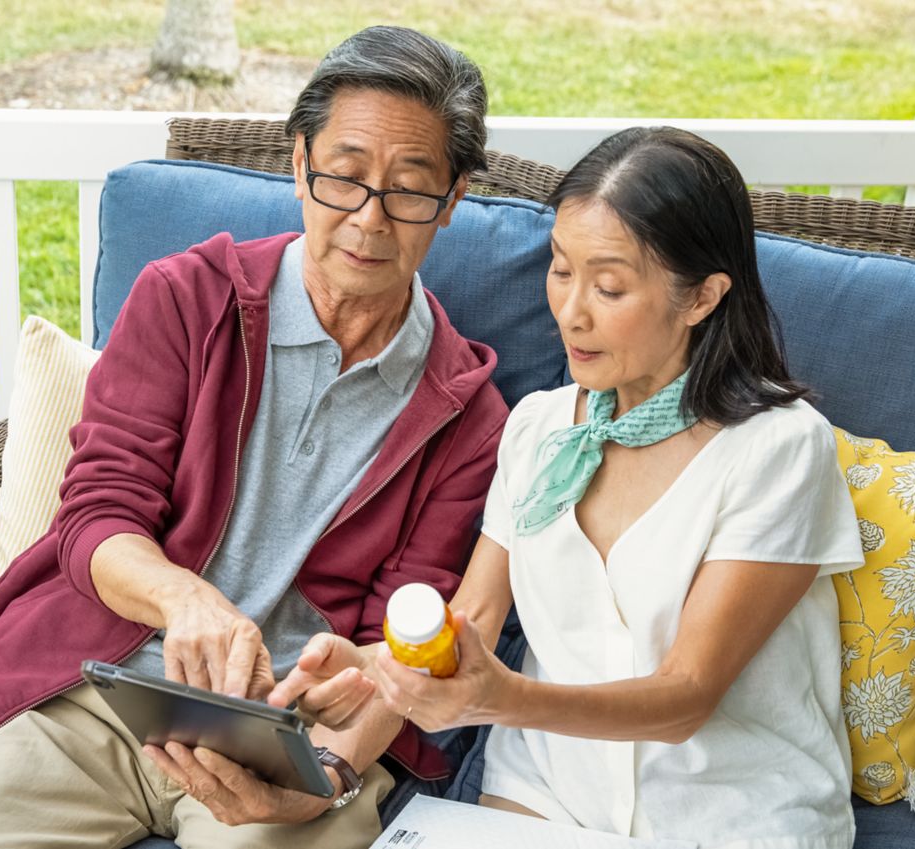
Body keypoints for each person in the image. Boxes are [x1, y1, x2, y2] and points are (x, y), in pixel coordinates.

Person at [0, 26, 508, 849]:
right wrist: (185, 598)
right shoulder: (185, 299)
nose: (369, 218)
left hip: (285, 738)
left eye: (408, 189)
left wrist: (323, 776)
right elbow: (96, 516)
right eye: (344, 176)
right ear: (299, 165)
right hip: (98, 694)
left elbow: (399, 648)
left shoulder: (467, 417)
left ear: (453, 198)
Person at [271, 127, 865, 849]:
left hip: (727, 815)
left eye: (608, 286)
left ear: (702, 296)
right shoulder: (538, 427)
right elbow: (476, 618)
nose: (571, 312)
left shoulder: (779, 447)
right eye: (560, 271)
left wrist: (503, 698)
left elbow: (685, 696)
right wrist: (371, 666)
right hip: (542, 800)